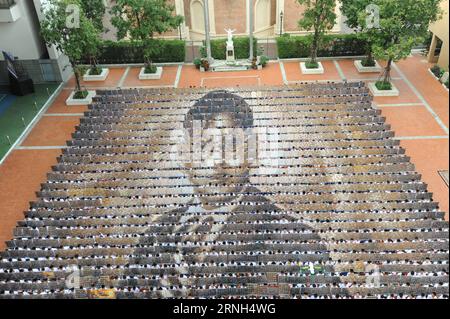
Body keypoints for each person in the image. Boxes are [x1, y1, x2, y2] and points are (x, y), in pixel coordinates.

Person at [131, 90, 342, 298]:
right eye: (203, 147)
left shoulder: (298, 241)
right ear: (184, 156)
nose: (216, 163)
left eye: (230, 147)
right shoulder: (155, 235)